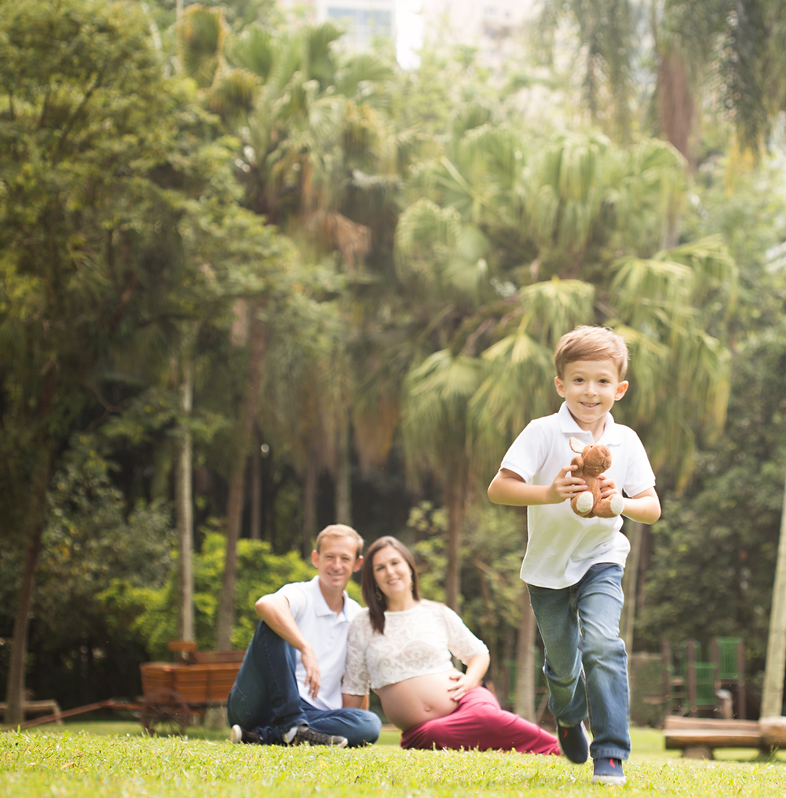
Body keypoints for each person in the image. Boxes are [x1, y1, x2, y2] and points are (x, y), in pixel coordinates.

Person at [487, 325, 661, 785]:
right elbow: (499, 489)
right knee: (562, 667)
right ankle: (568, 717)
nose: (591, 391)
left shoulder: (627, 441)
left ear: (619, 389)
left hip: (602, 556)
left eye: (602, 381)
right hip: (546, 569)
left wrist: (618, 503)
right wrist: (548, 492)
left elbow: (652, 507)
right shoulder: (542, 432)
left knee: (603, 644)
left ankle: (610, 752)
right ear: (561, 385)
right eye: (579, 380)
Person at [342, 536, 560, 755]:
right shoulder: (363, 623)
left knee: (483, 716)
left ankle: (559, 748)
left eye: (395, 563)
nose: (389, 571)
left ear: (409, 568)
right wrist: (351, 731)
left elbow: (478, 653)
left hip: (468, 702)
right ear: (373, 579)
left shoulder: (437, 612)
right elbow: (354, 686)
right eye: (380, 568)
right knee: (433, 734)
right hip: (422, 730)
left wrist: (470, 680)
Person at [227, 524, 382, 747]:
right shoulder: (299, 594)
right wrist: (305, 647)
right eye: (329, 557)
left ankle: (272, 735)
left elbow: (357, 680)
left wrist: (356, 722)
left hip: (312, 713)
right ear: (316, 558)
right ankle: (290, 726)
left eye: (345, 559)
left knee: (370, 724)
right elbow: (265, 604)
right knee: (272, 622)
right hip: (258, 704)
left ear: (357, 563)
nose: (336, 565)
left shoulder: (358, 617)